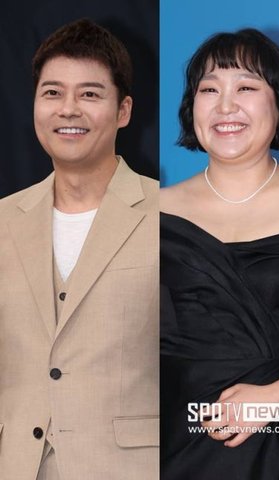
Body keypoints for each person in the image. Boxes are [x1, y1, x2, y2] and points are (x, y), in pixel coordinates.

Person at [0, 19, 159, 479]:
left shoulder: (170, 214)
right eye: (52, 93)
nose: (68, 109)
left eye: (89, 94)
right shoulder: (5, 219)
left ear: (123, 110)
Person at [160, 28, 279, 479]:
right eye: (209, 90)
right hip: (176, 451)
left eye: (246, 88)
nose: (225, 106)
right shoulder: (150, 211)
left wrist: (278, 398)